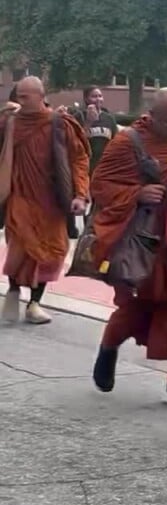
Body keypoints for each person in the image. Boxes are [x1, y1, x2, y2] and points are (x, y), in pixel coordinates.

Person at [89, 87, 167, 408]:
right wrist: (137, 194)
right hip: (148, 242)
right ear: (152, 115)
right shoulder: (128, 142)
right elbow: (101, 185)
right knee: (140, 305)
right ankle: (108, 348)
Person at [1, 76, 90, 324]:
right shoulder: (9, 123)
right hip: (19, 198)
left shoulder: (59, 123)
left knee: (50, 253)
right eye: (17, 96)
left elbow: (79, 160)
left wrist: (81, 194)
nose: (18, 101)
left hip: (51, 202)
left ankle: (34, 303)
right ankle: (14, 290)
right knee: (19, 249)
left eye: (24, 97)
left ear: (40, 97)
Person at [69, 86, 120, 238]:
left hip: (103, 169)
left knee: (99, 205)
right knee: (83, 202)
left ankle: (93, 233)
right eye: (94, 96)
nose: (98, 99)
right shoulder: (79, 117)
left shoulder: (108, 118)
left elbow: (116, 142)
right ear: (86, 99)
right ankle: (79, 231)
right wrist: (89, 123)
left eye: (100, 96)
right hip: (84, 169)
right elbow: (76, 143)